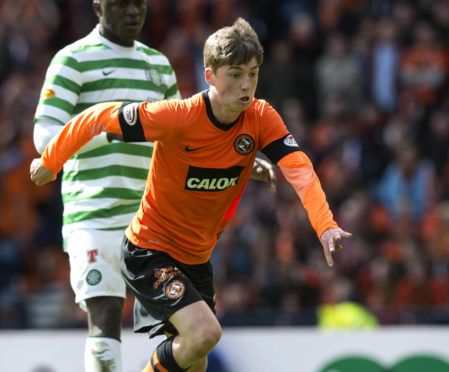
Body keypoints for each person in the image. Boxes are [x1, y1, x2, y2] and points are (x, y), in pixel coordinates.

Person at [31, 17, 351, 372]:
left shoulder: (261, 117)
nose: (247, 86)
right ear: (210, 75)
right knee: (205, 334)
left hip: (196, 260)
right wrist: (51, 160)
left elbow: (300, 170)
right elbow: (97, 118)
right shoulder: (178, 117)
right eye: (235, 74)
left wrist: (325, 225)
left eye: (253, 73)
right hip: (149, 251)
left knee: (194, 361)